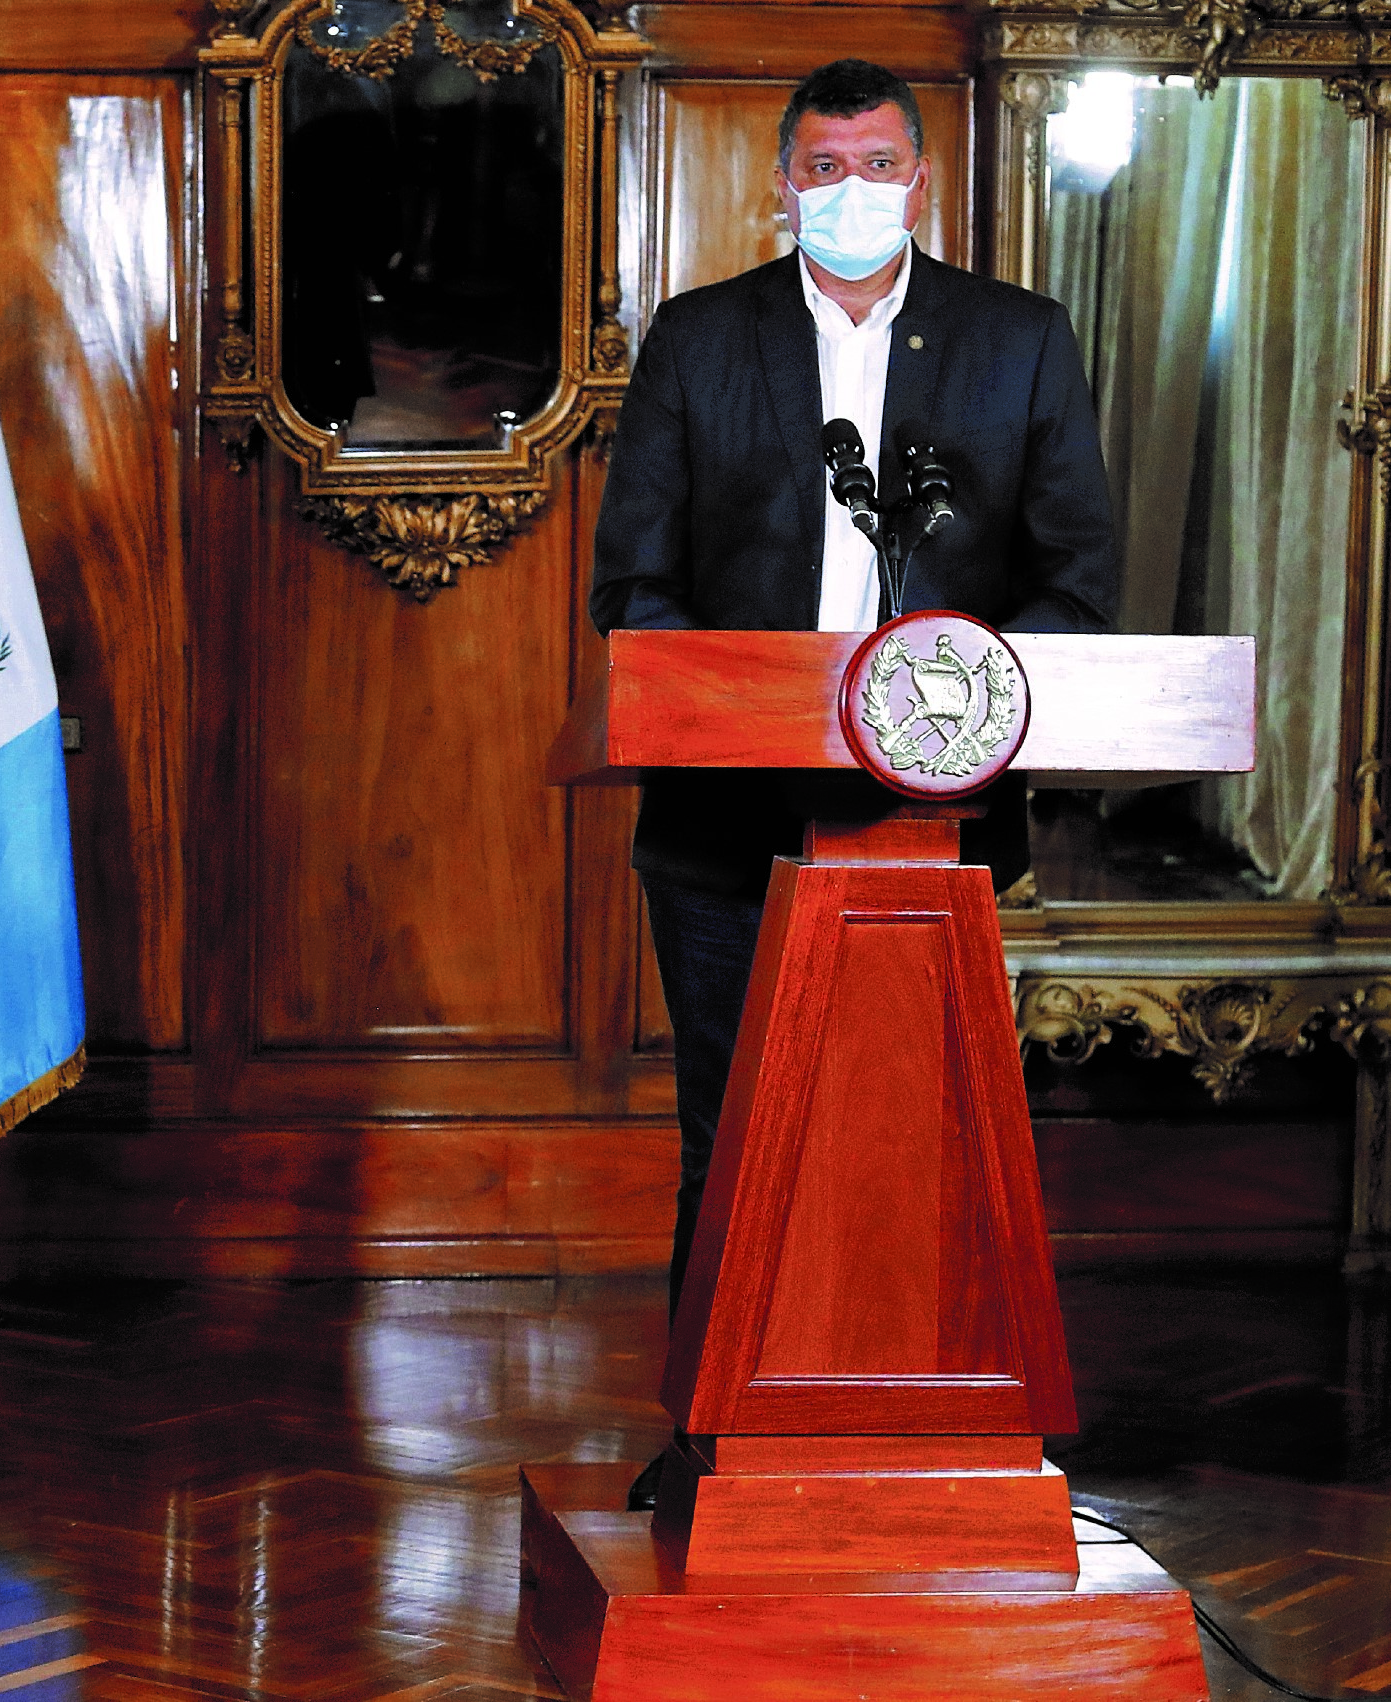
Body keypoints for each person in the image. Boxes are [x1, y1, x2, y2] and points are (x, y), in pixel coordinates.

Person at [587, 60, 1117, 1507]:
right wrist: (746, 704)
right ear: (778, 184)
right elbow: (631, 586)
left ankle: (919, 1432)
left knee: (918, 1132)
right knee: (730, 1129)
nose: (847, 192)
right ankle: (707, 1439)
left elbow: (1072, 586)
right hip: (722, 824)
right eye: (821, 168)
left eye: (875, 164)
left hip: (933, 829)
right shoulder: (699, 342)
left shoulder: (1014, 342)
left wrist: (951, 719)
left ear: (919, 180)